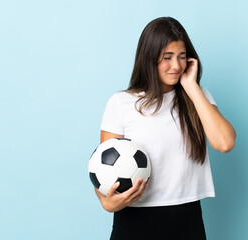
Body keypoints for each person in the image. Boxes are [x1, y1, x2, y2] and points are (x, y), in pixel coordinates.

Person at [94, 16, 236, 240]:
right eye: (167, 58)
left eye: (181, 57)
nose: (176, 66)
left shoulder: (197, 97)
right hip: (135, 222)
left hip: (188, 219)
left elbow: (225, 143)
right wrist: (107, 202)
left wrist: (191, 87)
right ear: (149, 58)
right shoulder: (121, 103)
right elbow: (103, 167)